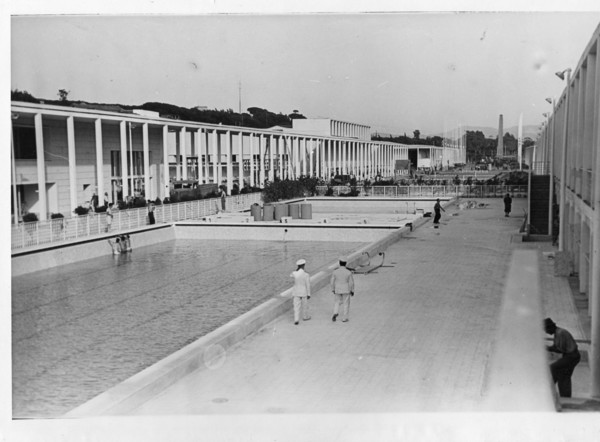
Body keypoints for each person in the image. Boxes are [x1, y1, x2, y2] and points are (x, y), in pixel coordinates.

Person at [544, 317, 581, 398]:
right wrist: (547, 347)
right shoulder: (557, 333)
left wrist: (547, 348)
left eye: (546, 330)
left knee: (553, 367)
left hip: (572, 356)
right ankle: (565, 396)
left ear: (550, 327)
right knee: (563, 376)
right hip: (569, 356)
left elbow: (559, 349)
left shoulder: (560, 333)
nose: (546, 332)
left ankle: (549, 388)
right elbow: (556, 347)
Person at [330, 257, 355, 323]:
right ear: (345, 263)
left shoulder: (335, 271)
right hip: (346, 289)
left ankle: (335, 312)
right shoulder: (348, 272)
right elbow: (351, 282)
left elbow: (332, 281)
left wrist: (333, 289)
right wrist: (352, 290)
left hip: (337, 289)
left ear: (339, 263)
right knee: (346, 303)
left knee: (337, 302)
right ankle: (344, 318)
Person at [290, 258, 311, 325]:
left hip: (296, 292)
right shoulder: (306, 274)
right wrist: (309, 294)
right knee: (305, 305)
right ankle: (305, 317)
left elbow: (291, 275)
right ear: (303, 265)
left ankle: (296, 319)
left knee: (296, 306)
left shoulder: (294, 273)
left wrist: (296, 270)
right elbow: (308, 285)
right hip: (303, 292)